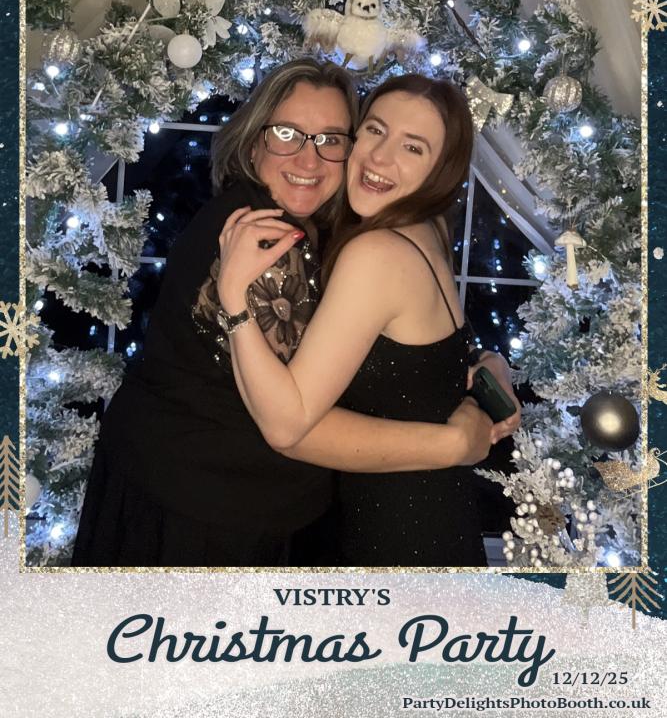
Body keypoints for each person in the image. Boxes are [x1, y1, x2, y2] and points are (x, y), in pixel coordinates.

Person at [72, 60, 513, 567]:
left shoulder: (376, 231)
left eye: (330, 139)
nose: (310, 158)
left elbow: (409, 337)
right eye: (287, 134)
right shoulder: (267, 240)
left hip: (332, 515)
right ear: (252, 142)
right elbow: (291, 424)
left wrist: (485, 362)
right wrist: (451, 444)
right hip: (197, 509)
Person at [217, 73, 521, 567]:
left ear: (441, 169)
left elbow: (284, 426)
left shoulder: (377, 253)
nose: (379, 157)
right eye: (375, 130)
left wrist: (233, 297)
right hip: (436, 519)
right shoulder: (428, 228)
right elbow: (433, 355)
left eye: (413, 147)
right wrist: (492, 363)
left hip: (395, 535)